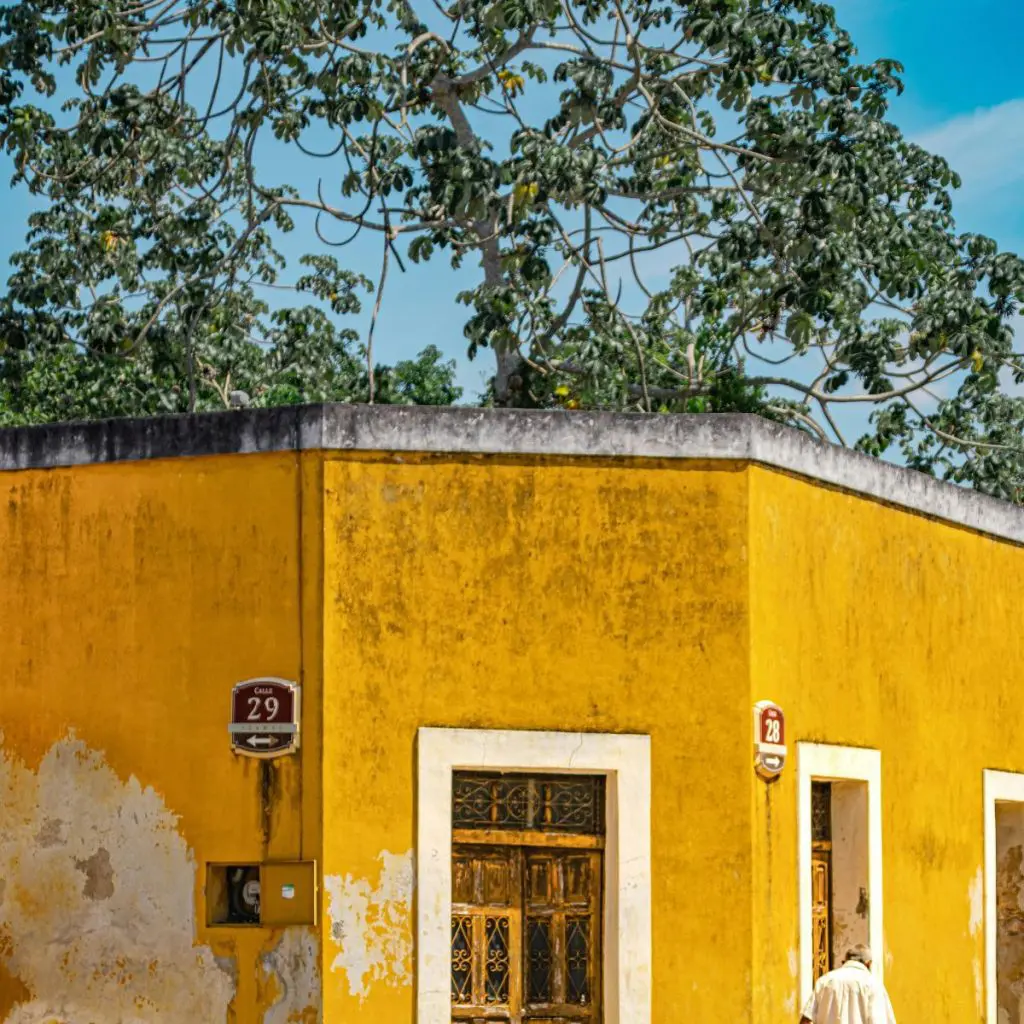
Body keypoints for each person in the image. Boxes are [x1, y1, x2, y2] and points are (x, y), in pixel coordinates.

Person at [800, 945, 896, 1024]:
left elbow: (806, 1020)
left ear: (845, 961)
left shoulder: (824, 981)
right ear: (868, 964)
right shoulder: (873, 984)